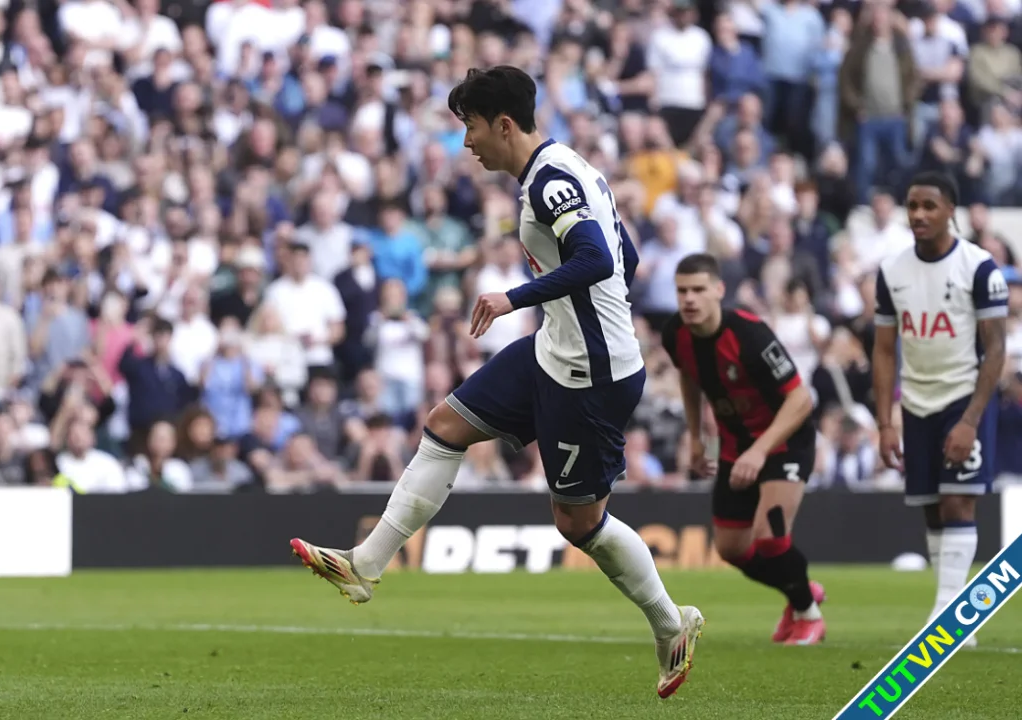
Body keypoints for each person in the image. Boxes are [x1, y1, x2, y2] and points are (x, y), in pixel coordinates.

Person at [288, 66, 704, 699]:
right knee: (445, 424)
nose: (467, 143)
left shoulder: (554, 181)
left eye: (471, 127)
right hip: (554, 350)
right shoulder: (566, 166)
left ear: (503, 124)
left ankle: (671, 623)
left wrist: (514, 298)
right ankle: (364, 564)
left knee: (578, 523)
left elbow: (596, 257)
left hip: (590, 375)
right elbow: (626, 254)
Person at [872, 171, 1008, 649]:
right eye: (912, 206)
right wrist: (886, 423)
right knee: (931, 508)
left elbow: (996, 349)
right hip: (916, 400)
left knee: (957, 501)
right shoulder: (892, 272)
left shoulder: (979, 268)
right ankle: (948, 606)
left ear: (951, 210)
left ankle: (950, 617)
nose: (919, 215)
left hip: (963, 396)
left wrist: (971, 419)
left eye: (929, 206)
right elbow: (885, 350)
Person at [661, 253, 826, 646]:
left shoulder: (750, 334)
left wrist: (759, 452)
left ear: (719, 291)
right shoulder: (675, 334)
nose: (690, 299)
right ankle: (800, 589)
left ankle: (808, 615)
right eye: (682, 291)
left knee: (770, 538)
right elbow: (689, 377)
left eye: (699, 290)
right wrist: (698, 437)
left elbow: (801, 400)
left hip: (785, 441)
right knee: (732, 549)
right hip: (735, 447)